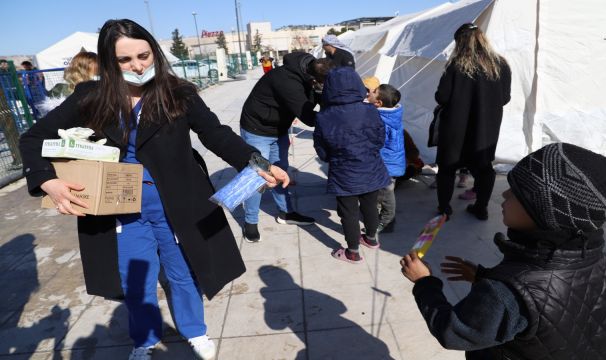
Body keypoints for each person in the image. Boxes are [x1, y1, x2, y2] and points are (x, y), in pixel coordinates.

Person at [19, 19, 290, 360]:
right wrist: (47, 180)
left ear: (154, 52)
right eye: (125, 60)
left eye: (144, 55)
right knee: (136, 280)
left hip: (176, 204)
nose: (137, 65)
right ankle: (144, 340)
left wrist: (258, 163)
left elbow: (215, 134)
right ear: (109, 62)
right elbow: (32, 139)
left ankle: (195, 330)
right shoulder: (89, 98)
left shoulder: (179, 93)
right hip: (119, 209)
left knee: (183, 271)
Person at [401, 142, 606, 360]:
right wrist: (485, 277)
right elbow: (560, 310)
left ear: (544, 214)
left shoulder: (506, 292)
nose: (504, 194)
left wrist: (424, 282)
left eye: (516, 193)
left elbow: (454, 331)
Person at [239, 52, 334, 242]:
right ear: (314, 78)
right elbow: (308, 117)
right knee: (258, 176)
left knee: (281, 171)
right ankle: (250, 221)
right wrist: (338, 118)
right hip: (257, 129)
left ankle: (286, 213)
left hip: (279, 128)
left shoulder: (308, 70)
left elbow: (312, 102)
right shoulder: (287, 82)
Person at [434, 23, 511, 220]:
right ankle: (481, 207)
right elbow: (504, 98)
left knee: (447, 168)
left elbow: (442, 97)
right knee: (484, 168)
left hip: (455, 128)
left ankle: (444, 208)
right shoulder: (500, 64)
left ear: (460, 42)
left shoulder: (455, 66)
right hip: (485, 127)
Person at [314, 66, 390, 263]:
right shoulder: (370, 110)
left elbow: (321, 147)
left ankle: (353, 251)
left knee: (348, 213)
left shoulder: (324, 116)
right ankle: (371, 239)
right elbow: (380, 138)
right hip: (371, 167)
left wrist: (331, 158)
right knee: (370, 206)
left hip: (343, 171)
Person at [367, 83, 405, 233]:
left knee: (386, 194)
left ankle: (387, 221)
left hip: (387, 165)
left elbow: (376, 142)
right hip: (388, 163)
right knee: (380, 192)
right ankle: (376, 213)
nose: (370, 92)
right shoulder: (390, 114)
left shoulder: (382, 120)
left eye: (374, 91)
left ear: (378, 103)